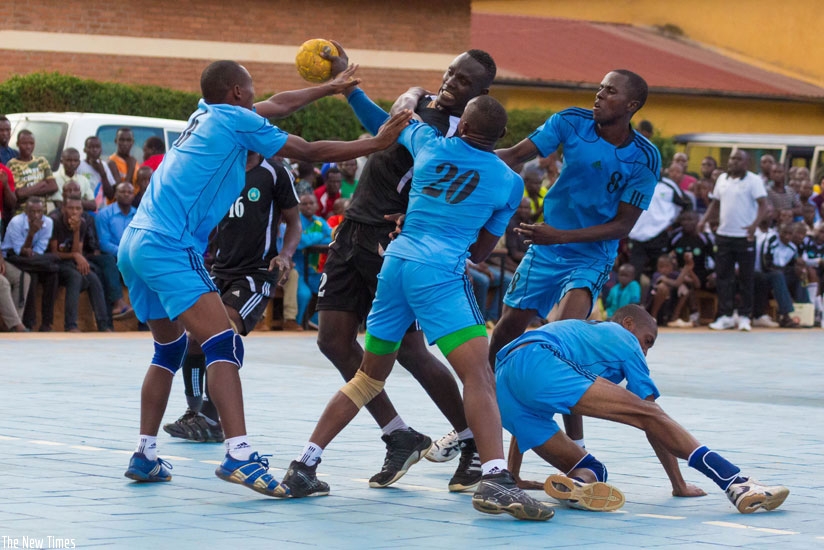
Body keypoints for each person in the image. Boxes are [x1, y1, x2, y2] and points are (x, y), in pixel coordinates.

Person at [117, 58, 412, 497]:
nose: (257, 96)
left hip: (135, 241)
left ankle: (144, 454)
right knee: (222, 343)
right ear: (236, 92)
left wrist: (329, 87)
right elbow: (309, 151)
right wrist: (377, 142)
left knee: (169, 349)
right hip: (169, 244)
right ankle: (239, 455)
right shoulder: (237, 122)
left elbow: (278, 103)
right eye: (250, 88)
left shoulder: (206, 112)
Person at [282, 95, 554, 522]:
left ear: (460, 124)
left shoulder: (429, 142)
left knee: (368, 377)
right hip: (439, 272)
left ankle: (303, 465)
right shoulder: (508, 181)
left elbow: (388, 122)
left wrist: (355, 91)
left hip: (394, 265)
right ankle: (497, 478)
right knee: (478, 375)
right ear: (501, 137)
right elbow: (481, 253)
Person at [315, 47, 499, 491]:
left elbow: (380, 126)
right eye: (450, 71)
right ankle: (399, 434)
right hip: (352, 229)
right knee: (334, 341)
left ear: (480, 94)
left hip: (391, 242)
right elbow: (388, 123)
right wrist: (401, 93)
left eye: (463, 80)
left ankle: (473, 440)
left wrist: (350, 84)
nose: (450, 81)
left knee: (412, 350)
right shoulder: (424, 108)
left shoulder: (451, 133)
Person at [489, 69, 661, 485]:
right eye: (599, 87)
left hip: (591, 254)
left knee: (561, 341)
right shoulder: (570, 121)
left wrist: (560, 235)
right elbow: (513, 155)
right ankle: (486, 425)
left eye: (609, 91)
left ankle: (576, 451)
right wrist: (463, 157)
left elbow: (622, 227)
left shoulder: (645, 157)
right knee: (504, 337)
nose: (598, 95)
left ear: (631, 105)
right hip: (547, 249)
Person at [495, 304, 789, 514]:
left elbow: (531, 414)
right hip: (539, 357)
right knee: (652, 414)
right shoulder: (622, 337)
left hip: (504, 380)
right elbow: (650, 416)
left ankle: (575, 485)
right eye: (647, 341)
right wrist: (678, 483)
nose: (645, 351)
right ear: (629, 324)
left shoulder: (585, 340)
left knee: (592, 469)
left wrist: (515, 476)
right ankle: (735, 483)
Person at [163, 150, 302, 443]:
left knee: (219, 331)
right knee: (193, 337)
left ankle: (213, 417)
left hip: (254, 274)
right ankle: (196, 412)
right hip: (219, 270)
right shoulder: (221, 169)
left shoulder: (274, 173)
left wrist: (286, 256)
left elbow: (294, 222)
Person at [702, 149, 767, 332]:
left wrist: (755, 225)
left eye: (738, 159)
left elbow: (763, 205)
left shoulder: (754, 181)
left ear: (746, 163)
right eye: (732, 158)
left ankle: (745, 316)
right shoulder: (722, 179)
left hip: (745, 236)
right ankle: (726, 316)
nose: (734, 162)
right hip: (724, 236)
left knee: (746, 278)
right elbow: (715, 203)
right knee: (723, 277)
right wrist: (703, 220)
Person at [48, 195, 111, 332]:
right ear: (63, 209)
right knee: (75, 277)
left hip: (71, 261)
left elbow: (77, 251)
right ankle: (70, 325)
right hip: (56, 263)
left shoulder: (81, 223)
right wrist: (75, 255)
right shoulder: (55, 222)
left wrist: (76, 231)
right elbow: (54, 253)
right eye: (71, 208)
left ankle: (103, 324)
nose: (75, 212)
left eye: (78, 208)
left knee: (93, 278)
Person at [1, 198, 58, 331]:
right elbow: (20, 252)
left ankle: (46, 323)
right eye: (32, 212)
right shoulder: (16, 222)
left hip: (33, 260)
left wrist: (31, 253)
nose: (36, 215)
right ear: (26, 212)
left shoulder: (48, 222)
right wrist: (31, 233)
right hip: (13, 257)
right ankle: (23, 323)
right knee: (29, 275)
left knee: (53, 274)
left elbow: (37, 251)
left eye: (39, 211)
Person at [6, 130, 57, 214]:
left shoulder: (41, 161)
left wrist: (26, 192)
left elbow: (53, 186)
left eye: (31, 143)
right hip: (22, 214)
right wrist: (41, 184)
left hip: (41, 214)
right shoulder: (11, 165)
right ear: (17, 144)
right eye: (24, 143)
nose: (28, 146)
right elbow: (17, 194)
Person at [49, 148, 97, 214]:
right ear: (61, 161)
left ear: (79, 162)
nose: (72, 164)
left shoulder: (83, 180)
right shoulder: (53, 178)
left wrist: (69, 200)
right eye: (69, 160)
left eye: (75, 161)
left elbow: (93, 205)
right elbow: (59, 205)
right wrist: (81, 201)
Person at [77, 136, 117, 207]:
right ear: (84, 150)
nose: (95, 150)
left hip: (100, 209)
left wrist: (102, 173)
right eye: (91, 147)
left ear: (101, 150)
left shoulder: (104, 166)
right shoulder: (79, 166)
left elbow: (110, 195)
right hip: (83, 207)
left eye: (97, 147)